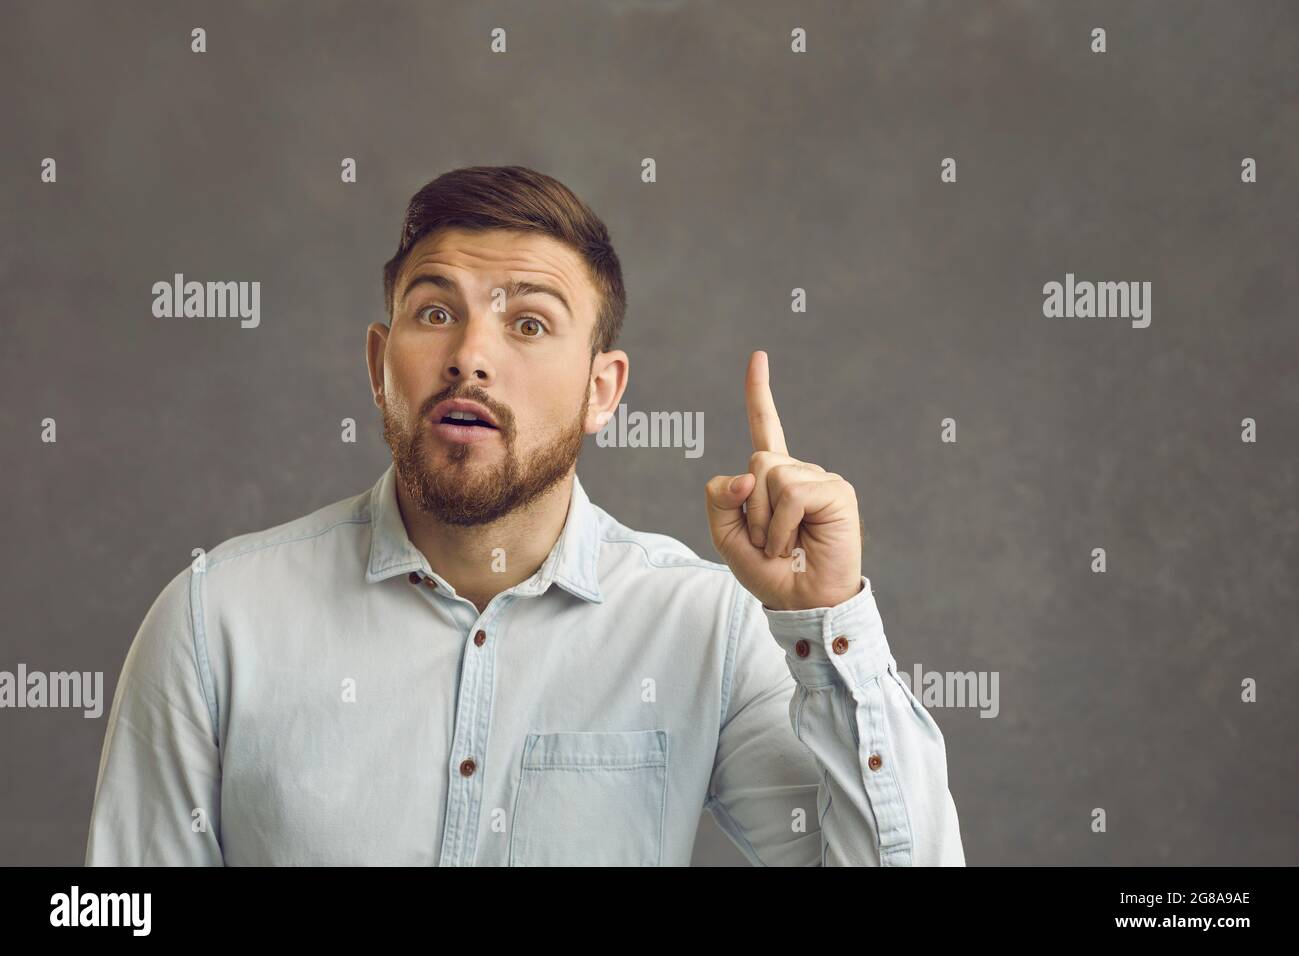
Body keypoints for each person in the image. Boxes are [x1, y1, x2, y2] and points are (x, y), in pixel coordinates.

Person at [86, 165, 965, 866]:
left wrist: (828, 615)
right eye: (437, 313)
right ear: (379, 362)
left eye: (531, 325)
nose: (470, 356)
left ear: (602, 390)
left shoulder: (704, 626)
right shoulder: (215, 621)